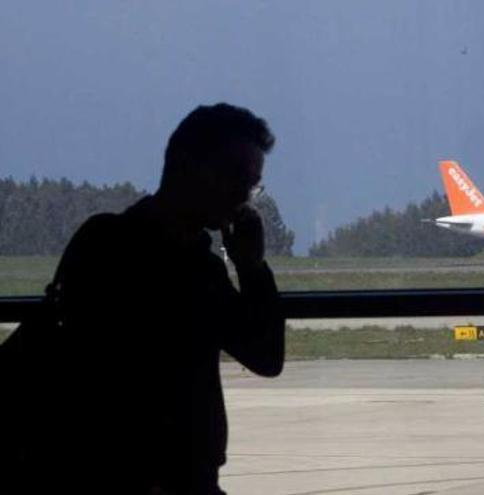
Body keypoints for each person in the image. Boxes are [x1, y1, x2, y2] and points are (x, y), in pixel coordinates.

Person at [15, 103, 285, 493]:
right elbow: (265, 355)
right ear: (192, 167)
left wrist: (251, 267)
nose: (244, 196)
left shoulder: (169, 259)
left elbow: (265, 357)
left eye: (252, 184)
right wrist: (253, 270)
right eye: (236, 178)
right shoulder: (148, 259)